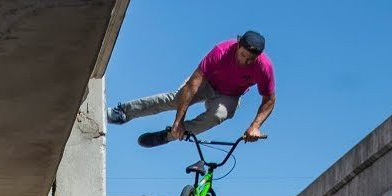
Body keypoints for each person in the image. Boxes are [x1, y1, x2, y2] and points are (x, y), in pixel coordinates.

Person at [107, 31, 275, 147]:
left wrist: (255, 126)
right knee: (176, 100)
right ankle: (124, 112)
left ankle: (169, 136)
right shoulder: (221, 52)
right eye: (243, 55)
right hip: (206, 82)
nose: (244, 62)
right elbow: (193, 84)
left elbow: (269, 99)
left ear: (258, 57)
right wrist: (178, 120)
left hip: (229, 95)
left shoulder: (264, 67)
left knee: (218, 116)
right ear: (238, 45)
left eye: (250, 59)